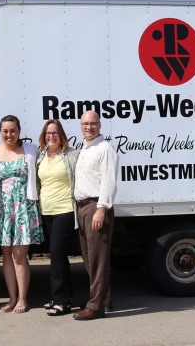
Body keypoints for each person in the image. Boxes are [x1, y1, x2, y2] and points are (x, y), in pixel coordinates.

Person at [0, 115, 43, 314]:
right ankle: (11, 298)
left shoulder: (31, 150)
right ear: (0, 131)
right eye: (5, 131)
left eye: (12, 130)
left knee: (20, 256)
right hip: (3, 210)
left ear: (19, 130)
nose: (9, 134)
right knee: (7, 256)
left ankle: (23, 298)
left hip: (23, 209)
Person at [72, 110, 118, 321]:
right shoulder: (85, 148)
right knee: (90, 259)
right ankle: (102, 300)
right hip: (82, 209)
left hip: (95, 207)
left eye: (93, 123)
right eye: (85, 124)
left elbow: (108, 181)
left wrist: (102, 209)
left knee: (98, 261)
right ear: (81, 126)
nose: (89, 127)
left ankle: (96, 307)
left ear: (100, 125)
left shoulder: (105, 148)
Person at [36, 119, 79, 316]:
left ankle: (61, 301)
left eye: (54, 133)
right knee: (58, 256)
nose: (50, 136)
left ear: (61, 135)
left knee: (56, 255)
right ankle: (64, 296)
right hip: (47, 211)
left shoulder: (71, 155)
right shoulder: (42, 156)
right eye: (47, 133)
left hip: (65, 210)